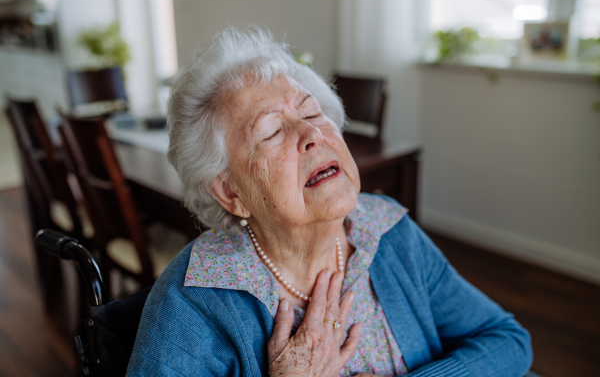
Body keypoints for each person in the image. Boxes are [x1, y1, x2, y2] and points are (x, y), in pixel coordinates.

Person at [126, 26, 532, 377]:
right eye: (270, 132)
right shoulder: (195, 300)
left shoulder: (388, 232)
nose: (312, 134)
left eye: (313, 113)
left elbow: (508, 341)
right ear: (232, 192)